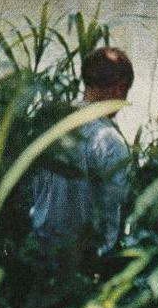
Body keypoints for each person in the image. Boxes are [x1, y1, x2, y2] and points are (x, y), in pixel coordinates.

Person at [29, 47, 134, 263]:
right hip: (83, 262)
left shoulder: (51, 122)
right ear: (120, 89)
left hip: (37, 251)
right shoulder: (110, 142)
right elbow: (112, 215)